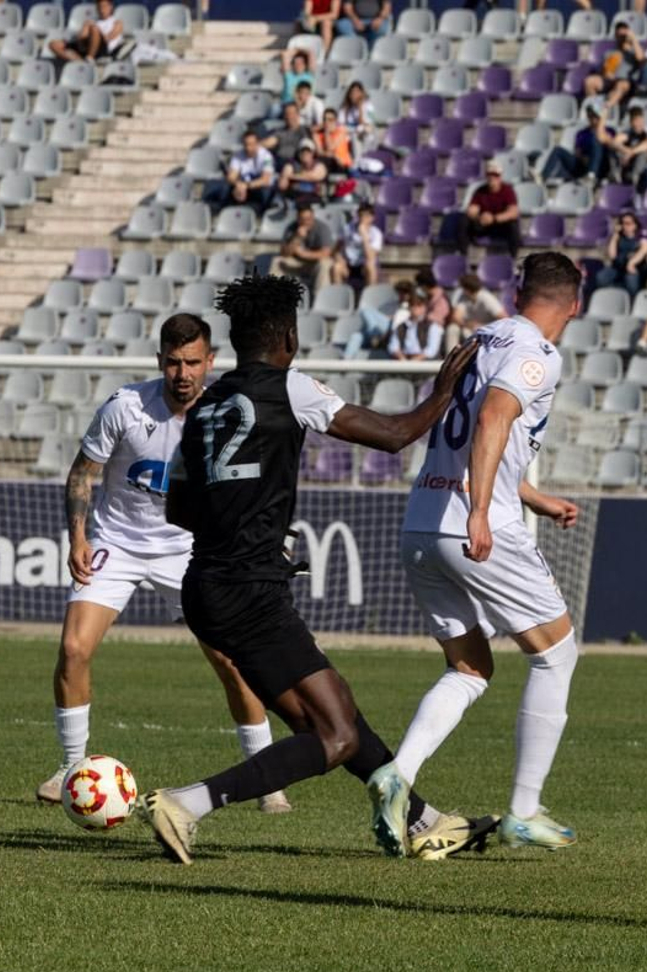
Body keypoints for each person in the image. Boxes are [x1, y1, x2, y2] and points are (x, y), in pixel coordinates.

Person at [139, 275, 491, 864]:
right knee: (335, 733)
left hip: (206, 587)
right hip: (251, 591)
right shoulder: (291, 387)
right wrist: (443, 391)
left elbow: (178, 509)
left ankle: (422, 821)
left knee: (333, 715)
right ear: (287, 338)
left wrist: (241, 519)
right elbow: (394, 435)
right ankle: (187, 803)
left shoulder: (204, 408)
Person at [370, 252, 586, 854]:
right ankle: (523, 811)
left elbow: (471, 436)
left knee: (469, 667)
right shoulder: (538, 352)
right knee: (556, 654)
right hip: (473, 524)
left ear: (518, 294)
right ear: (575, 303)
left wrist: (533, 497)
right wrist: (483, 510)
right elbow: (492, 420)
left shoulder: (480, 339)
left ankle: (399, 773)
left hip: (422, 522)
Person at [40, 315, 293, 815]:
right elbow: (82, 473)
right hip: (117, 542)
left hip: (191, 550)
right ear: (160, 361)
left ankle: (266, 780)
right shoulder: (126, 407)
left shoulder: (228, 413)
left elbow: (256, 485)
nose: (183, 373)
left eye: (193, 362)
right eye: (174, 362)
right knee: (73, 648)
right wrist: (78, 537)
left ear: (210, 361)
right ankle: (71, 769)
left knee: (232, 661)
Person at [458, 160, 519, 255]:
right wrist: (480, 217)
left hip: (500, 225)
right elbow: (471, 210)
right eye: (489, 175)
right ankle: (463, 255)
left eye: (495, 175)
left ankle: (513, 257)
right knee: (464, 221)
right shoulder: (480, 191)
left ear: (500, 176)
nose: (492, 178)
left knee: (513, 225)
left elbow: (514, 212)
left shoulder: (507, 190)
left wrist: (494, 218)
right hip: (484, 224)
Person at [208, 130, 276, 214]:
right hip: (244, 184)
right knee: (224, 185)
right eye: (246, 144)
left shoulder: (267, 156)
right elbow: (231, 176)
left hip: (259, 186)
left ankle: (261, 211)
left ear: (257, 144)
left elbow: (265, 180)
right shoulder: (238, 155)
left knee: (265, 191)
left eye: (251, 144)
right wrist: (238, 184)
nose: (248, 148)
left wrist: (246, 185)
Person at [275, 204, 334, 295]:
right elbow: (284, 253)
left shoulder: (322, 228)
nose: (306, 222)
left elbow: (326, 253)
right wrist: (297, 238)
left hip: (315, 263)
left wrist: (304, 254)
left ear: (313, 216)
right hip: (296, 262)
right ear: (298, 219)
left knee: (325, 264)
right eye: (303, 219)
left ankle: (319, 297)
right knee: (277, 261)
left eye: (309, 218)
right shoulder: (291, 228)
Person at [596, 212, 647, 297]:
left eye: (628, 224)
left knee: (631, 283)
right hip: (618, 268)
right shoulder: (618, 237)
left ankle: (631, 300)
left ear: (635, 225)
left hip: (633, 268)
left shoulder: (640, 237)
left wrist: (632, 263)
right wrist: (615, 236)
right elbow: (612, 255)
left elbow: (644, 250)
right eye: (622, 223)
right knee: (601, 277)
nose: (625, 226)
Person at [50, 0, 122, 63]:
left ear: (110, 7)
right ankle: (79, 61)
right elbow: (82, 36)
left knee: (93, 28)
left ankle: (89, 58)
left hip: (101, 49)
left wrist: (93, 31)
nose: (102, 9)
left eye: (104, 6)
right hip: (85, 45)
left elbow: (108, 38)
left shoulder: (116, 22)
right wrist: (82, 35)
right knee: (54, 44)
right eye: (99, 7)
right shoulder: (92, 21)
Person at [331, 202, 381, 288]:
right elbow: (335, 250)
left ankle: (371, 294)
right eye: (360, 215)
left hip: (363, 267)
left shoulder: (376, 233)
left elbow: (371, 257)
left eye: (366, 216)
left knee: (370, 266)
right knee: (336, 267)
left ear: (372, 218)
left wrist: (364, 236)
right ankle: (338, 293)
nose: (362, 219)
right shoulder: (347, 229)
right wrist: (340, 259)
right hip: (348, 265)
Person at [388, 291, 443, 360]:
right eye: (412, 305)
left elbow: (432, 350)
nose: (415, 308)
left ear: (425, 307)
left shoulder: (432, 327)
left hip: (426, 362)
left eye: (419, 305)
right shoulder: (401, 327)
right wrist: (401, 357)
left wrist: (417, 359)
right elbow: (393, 347)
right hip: (404, 360)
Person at [277, 139, 328, 206]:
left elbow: (315, 176)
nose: (305, 154)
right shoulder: (291, 165)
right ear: (298, 153)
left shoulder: (319, 165)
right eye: (302, 151)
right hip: (295, 200)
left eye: (308, 151)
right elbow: (282, 185)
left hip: (315, 200)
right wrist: (285, 177)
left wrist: (291, 176)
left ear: (313, 153)